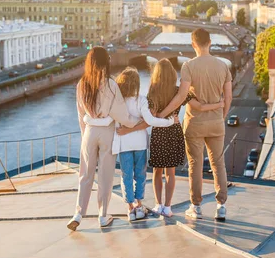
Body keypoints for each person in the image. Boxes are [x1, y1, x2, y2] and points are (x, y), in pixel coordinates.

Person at [124, 59, 222, 217]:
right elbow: (201, 106)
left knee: (157, 172)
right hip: (174, 132)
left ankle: (158, 205)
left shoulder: (152, 91)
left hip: (159, 133)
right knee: (171, 173)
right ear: (171, 74)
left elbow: (153, 116)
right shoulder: (179, 91)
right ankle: (168, 207)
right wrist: (219, 104)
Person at [83, 67, 178, 221]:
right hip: (140, 145)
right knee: (140, 175)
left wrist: (87, 120)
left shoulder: (116, 102)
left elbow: (107, 120)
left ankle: (130, 208)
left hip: (123, 145)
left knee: (126, 176)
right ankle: (139, 205)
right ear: (137, 84)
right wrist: (170, 121)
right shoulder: (141, 100)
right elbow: (151, 121)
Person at [158, 29, 232, 221]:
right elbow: (228, 97)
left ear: (193, 44)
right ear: (210, 42)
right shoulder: (223, 66)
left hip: (194, 123)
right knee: (218, 164)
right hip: (216, 122)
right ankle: (221, 206)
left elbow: (182, 96)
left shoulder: (188, 66)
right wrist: (220, 116)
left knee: (195, 165)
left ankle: (196, 206)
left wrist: (162, 114)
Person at [68, 47, 139, 231]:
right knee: (105, 176)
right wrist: (137, 122)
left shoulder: (82, 84)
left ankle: (78, 213)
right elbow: (122, 115)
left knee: (85, 175)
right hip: (107, 132)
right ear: (105, 62)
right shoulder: (110, 84)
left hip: (90, 132)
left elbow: (80, 114)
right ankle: (103, 215)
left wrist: (85, 135)